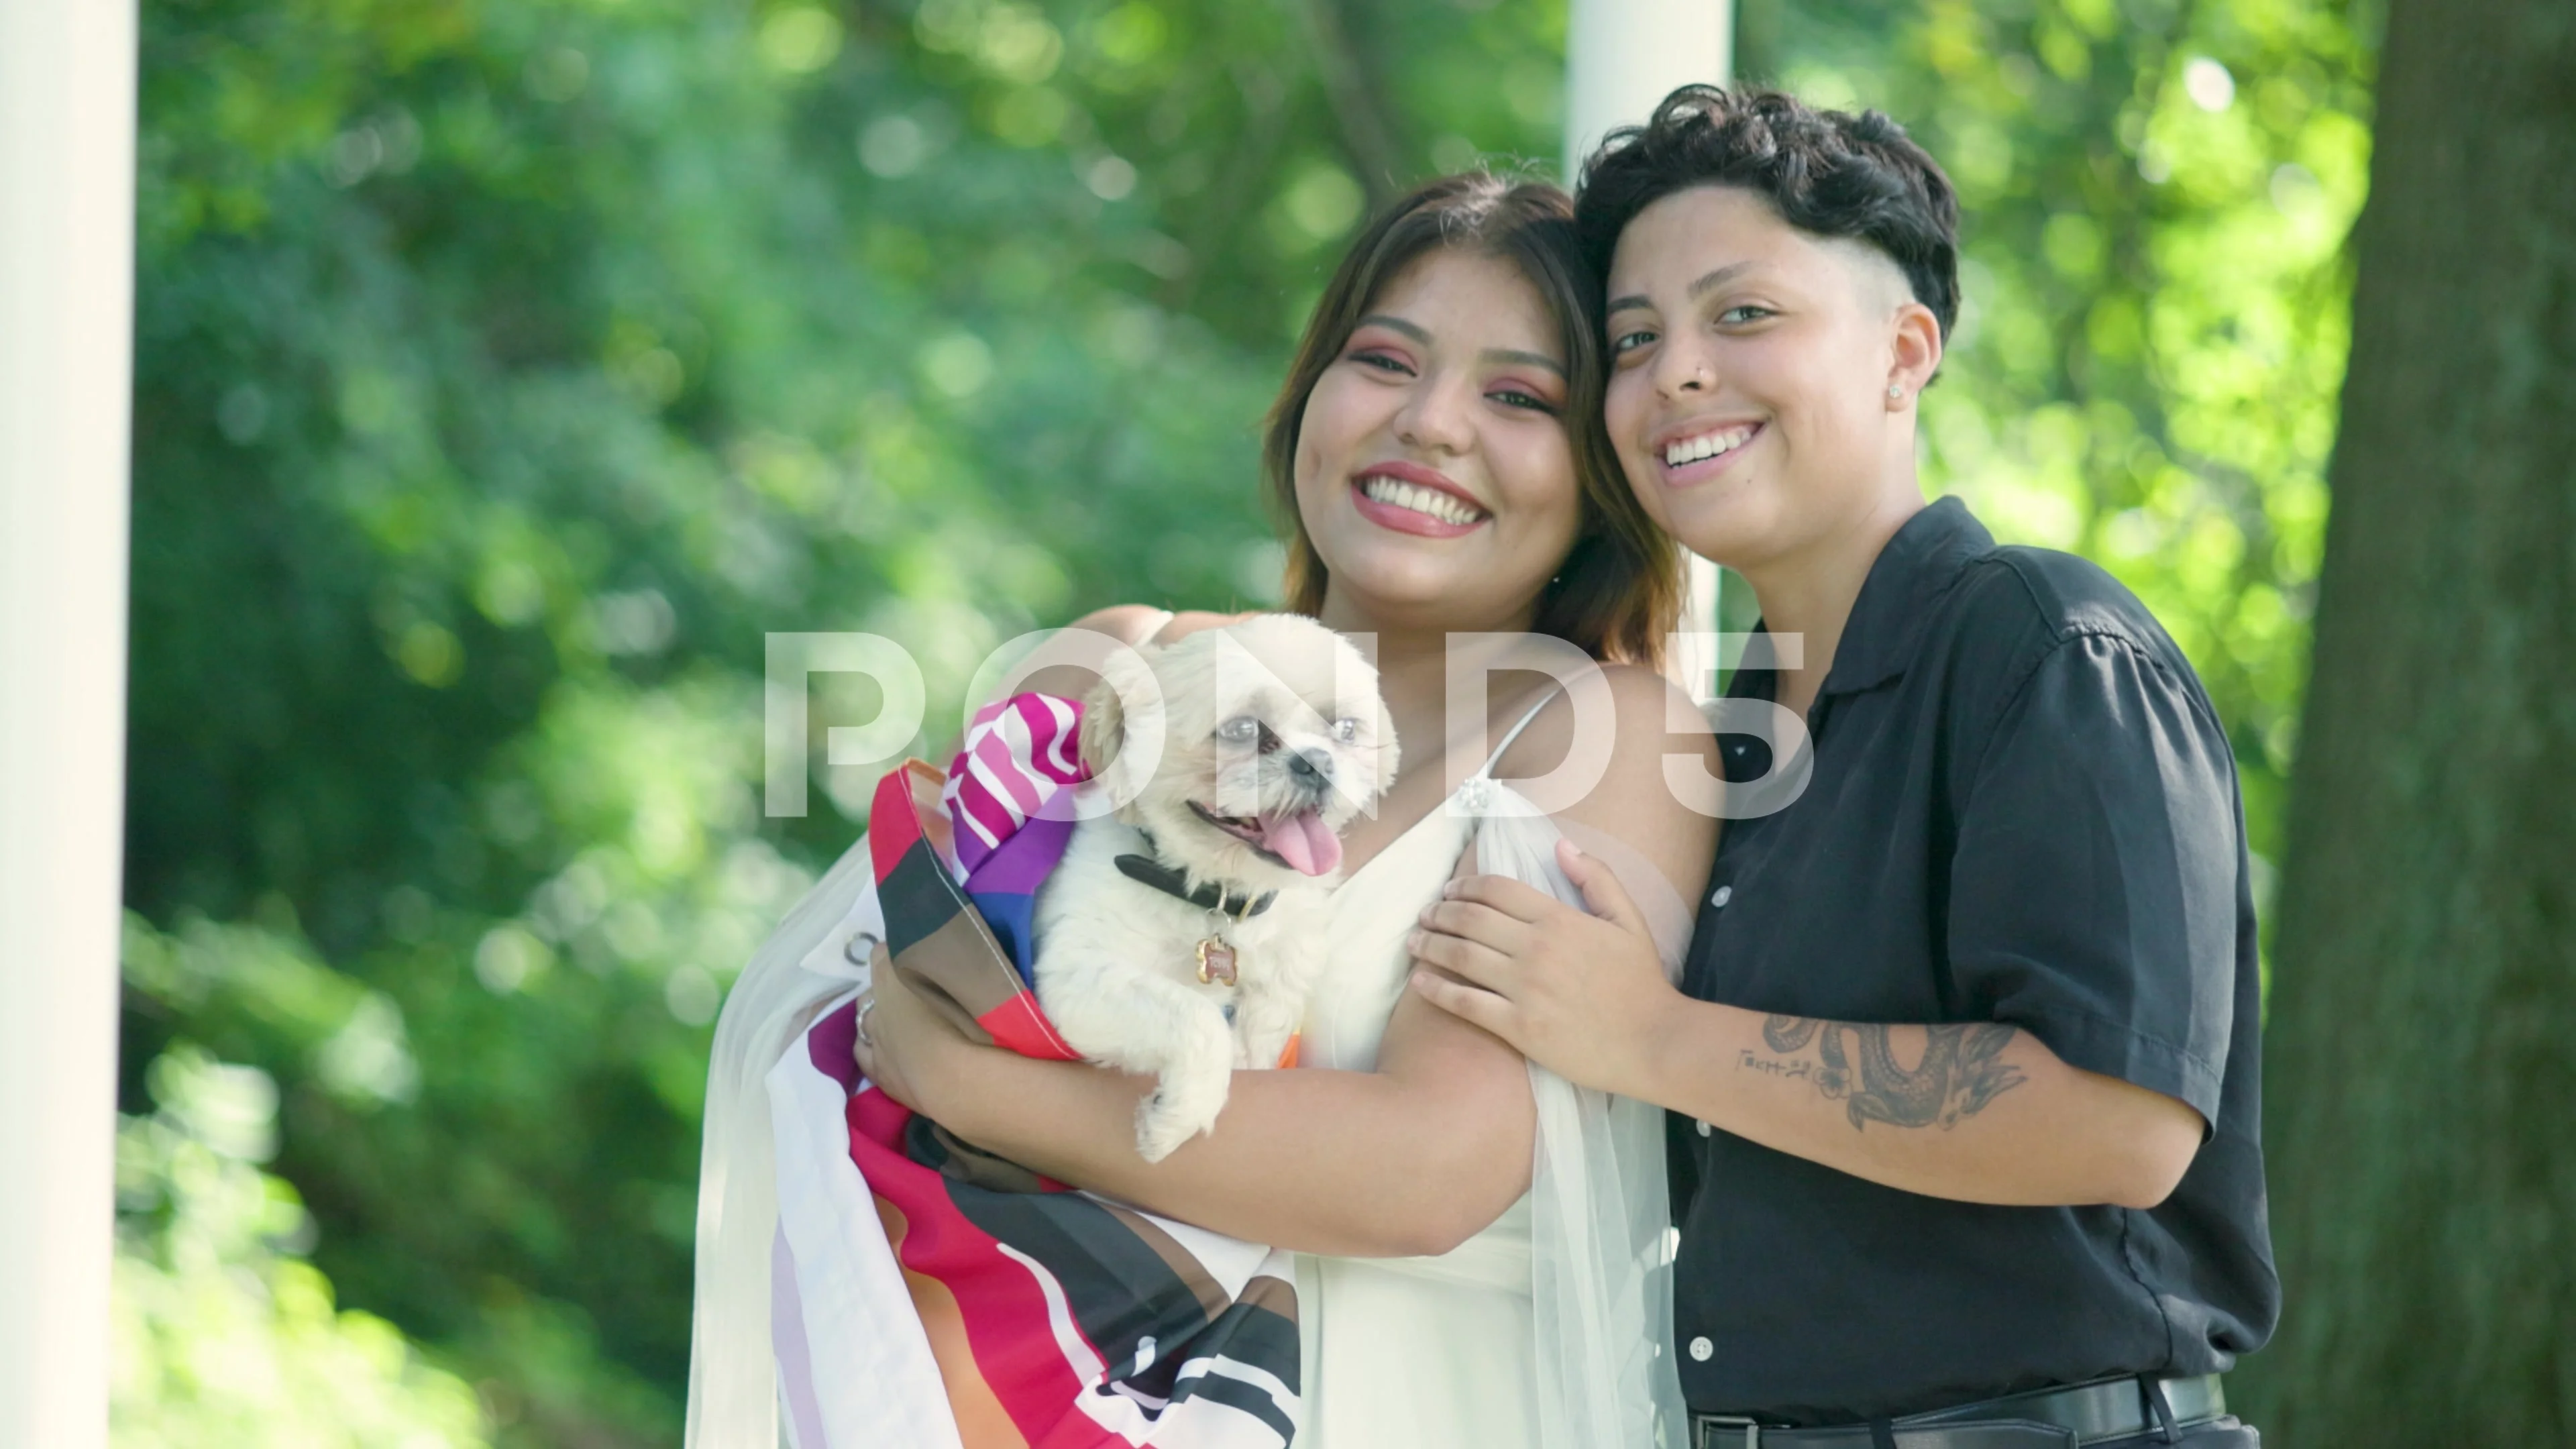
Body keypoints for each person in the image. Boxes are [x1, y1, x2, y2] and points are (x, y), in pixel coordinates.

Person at [708, 173, 1718, 1448]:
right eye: (1384, 360)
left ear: (1602, 472)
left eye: (1518, 397)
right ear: (1306, 393)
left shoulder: (1607, 731)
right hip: (1049, 1395)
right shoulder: (1117, 669)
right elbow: (874, 993)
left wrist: (975, 1085)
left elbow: (1429, 1170)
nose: (1431, 424)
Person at [1410, 87, 2278, 1447]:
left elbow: (2118, 1120)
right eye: (1634, 340)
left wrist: (1648, 1036)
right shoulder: (1730, 729)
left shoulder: (2047, 646)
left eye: (1742, 314)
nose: (1676, 373)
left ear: (1904, 350)